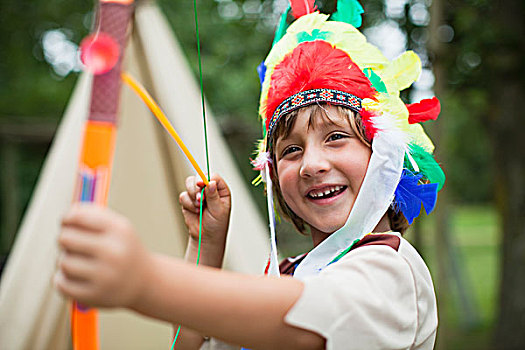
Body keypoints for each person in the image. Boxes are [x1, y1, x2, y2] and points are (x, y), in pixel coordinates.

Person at [55, 3, 445, 349]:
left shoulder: (392, 271)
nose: (311, 165)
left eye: (337, 137)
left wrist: (144, 281)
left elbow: (304, 324)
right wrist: (206, 247)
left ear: (386, 155)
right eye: (291, 150)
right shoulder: (284, 277)